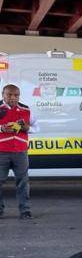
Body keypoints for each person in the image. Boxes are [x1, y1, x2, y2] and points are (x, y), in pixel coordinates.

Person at [0, 83, 38, 219]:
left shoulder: (26, 110)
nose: (13, 98)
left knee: (23, 182)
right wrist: (1, 129)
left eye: (16, 95)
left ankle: (25, 211)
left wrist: (27, 128)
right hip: (1, 152)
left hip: (20, 152)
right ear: (3, 95)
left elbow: (36, 128)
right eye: (9, 94)